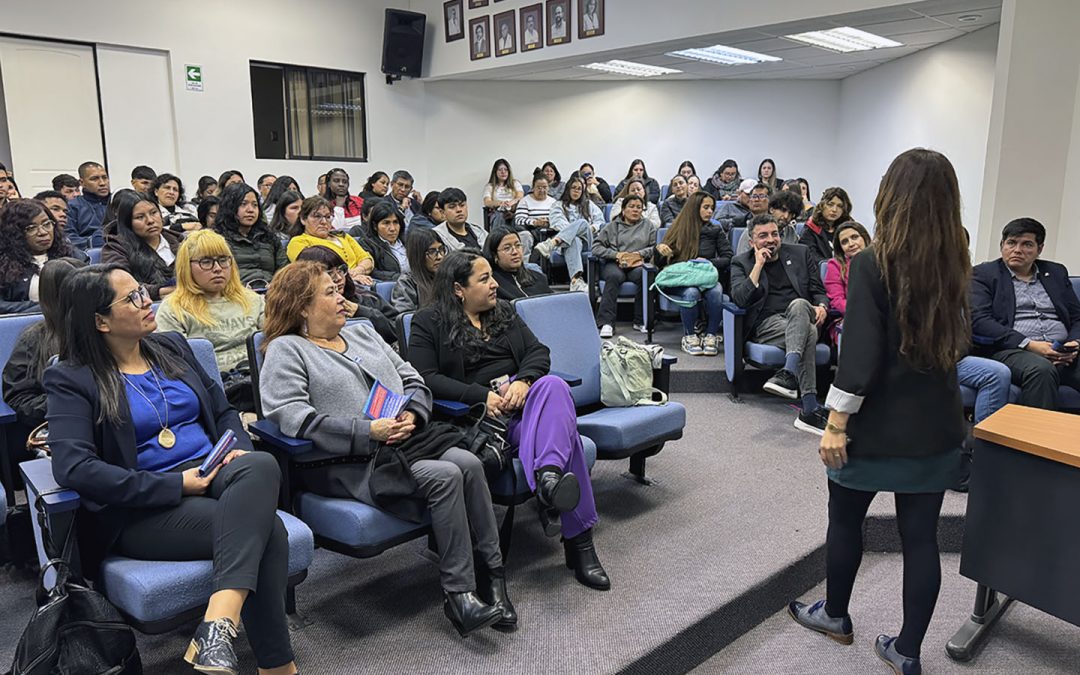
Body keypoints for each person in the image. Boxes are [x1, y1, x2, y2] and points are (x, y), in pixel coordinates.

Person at [45, 265, 298, 675]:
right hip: (146, 507)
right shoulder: (72, 377)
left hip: (216, 470)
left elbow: (224, 412)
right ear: (100, 320)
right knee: (268, 530)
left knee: (260, 462)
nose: (148, 302)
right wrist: (175, 483)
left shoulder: (171, 347)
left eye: (143, 291)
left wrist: (236, 450)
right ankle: (277, 667)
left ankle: (218, 623)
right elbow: (74, 468)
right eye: (132, 298)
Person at [789, 149, 971, 675]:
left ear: (892, 194)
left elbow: (860, 355)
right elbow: (958, 343)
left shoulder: (873, 261)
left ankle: (836, 617)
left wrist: (836, 423)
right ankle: (907, 651)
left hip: (873, 428)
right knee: (922, 539)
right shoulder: (958, 257)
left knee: (845, 521)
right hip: (937, 425)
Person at [259, 261, 513, 635]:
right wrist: (366, 431)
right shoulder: (287, 350)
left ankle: (493, 577)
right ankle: (460, 595)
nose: (342, 298)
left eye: (338, 288)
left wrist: (413, 413)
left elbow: (412, 377)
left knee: (469, 462)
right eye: (329, 293)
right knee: (445, 474)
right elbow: (291, 417)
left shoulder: (362, 334)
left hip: (407, 441)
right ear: (302, 307)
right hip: (349, 461)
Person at [409, 250, 610, 591]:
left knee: (553, 385)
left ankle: (548, 477)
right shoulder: (428, 322)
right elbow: (425, 377)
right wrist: (480, 396)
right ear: (459, 289)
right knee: (568, 439)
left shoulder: (503, 311)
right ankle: (579, 542)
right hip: (480, 421)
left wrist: (523, 381)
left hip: (523, 405)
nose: (493, 285)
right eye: (484, 279)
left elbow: (538, 352)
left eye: (492, 277)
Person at [730, 213, 829, 434]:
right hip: (767, 325)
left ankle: (788, 373)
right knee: (809, 331)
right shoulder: (741, 262)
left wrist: (822, 306)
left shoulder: (801, 253)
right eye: (763, 236)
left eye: (774, 234)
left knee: (799, 305)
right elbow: (739, 299)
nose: (771, 239)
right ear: (752, 242)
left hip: (801, 314)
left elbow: (819, 292)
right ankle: (809, 408)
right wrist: (758, 266)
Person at [971, 217, 1080, 409]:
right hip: (1012, 350)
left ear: (1039, 249)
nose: (1018, 250)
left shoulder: (1055, 272)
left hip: (1063, 351)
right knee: (1041, 370)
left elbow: (1077, 317)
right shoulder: (984, 274)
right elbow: (980, 320)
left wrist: (1074, 344)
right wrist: (1030, 345)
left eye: (1027, 244)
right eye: (1011, 243)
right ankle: (1033, 437)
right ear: (1002, 245)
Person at [154, 231, 264, 411]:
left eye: (223, 260)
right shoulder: (173, 309)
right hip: (214, 391)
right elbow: (175, 368)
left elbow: (276, 344)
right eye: (206, 261)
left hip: (259, 380)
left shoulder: (252, 300)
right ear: (186, 267)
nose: (218, 268)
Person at [3, 258, 87, 433]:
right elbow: (20, 398)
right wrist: (66, 402)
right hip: (59, 427)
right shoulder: (34, 339)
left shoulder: (107, 326)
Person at [654, 192, 730, 355]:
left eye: (712, 208)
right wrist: (660, 251)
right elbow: (660, 263)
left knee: (716, 291)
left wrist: (707, 263)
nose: (710, 212)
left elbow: (728, 257)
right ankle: (689, 336)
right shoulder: (678, 228)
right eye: (706, 207)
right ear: (694, 208)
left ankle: (711, 335)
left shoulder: (716, 229)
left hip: (705, 278)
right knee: (691, 292)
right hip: (681, 280)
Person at [295, 246, 399, 344]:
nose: (339, 278)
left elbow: (399, 331)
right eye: (330, 273)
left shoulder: (366, 297)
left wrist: (361, 311)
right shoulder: (302, 314)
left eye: (340, 270)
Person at [0, 201, 85, 314]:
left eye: (47, 224)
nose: (43, 232)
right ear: (14, 233)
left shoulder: (73, 256)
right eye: (31, 228)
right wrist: (43, 307)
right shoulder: (4, 263)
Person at [592, 194, 657, 336]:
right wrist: (616, 255)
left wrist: (639, 254)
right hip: (615, 263)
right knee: (614, 276)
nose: (635, 210)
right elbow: (596, 247)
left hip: (637, 263)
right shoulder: (612, 226)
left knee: (644, 276)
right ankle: (607, 323)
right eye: (631, 207)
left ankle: (641, 320)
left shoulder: (648, 226)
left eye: (639, 207)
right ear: (623, 210)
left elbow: (654, 247)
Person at [101, 191, 182, 301]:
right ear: (128, 223)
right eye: (140, 217)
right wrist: (159, 291)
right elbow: (120, 285)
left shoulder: (180, 241)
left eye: (154, 213)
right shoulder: (116, 247)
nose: (150, 221)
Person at [534, 176, 605, 293]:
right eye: (573, 188)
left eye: (579, 189)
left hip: (588, 241)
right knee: (575, 240)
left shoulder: (589, 204)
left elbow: (600, 221)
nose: (576, 191)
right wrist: (574, 232)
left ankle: (551, 243)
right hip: (566, 244)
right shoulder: (558, 205)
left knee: (582, 223)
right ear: (568, 189)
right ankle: (576, 281)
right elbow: (558, 223)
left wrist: (590, 227)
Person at [214, 183, 288, 288]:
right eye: (243, 204)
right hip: (234, 294)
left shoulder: (268, 237)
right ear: (230, 207)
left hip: (270, 293)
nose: (250, 210)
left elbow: (284, 268)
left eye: (255, 205)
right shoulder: (217, 238)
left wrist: (276, 285)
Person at [287, 196, 374, 285]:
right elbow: (315, 272)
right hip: (331, 286)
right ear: (303, 219)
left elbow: (367, 259)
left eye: (328, 217)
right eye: (317, 216)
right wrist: (347, 277)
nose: (324, 222)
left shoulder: (343, 236)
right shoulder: (299, 242)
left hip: (361, 279)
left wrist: (357, 271)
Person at [823, 222, 872, 346]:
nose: (851, 244)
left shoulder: (882, 260)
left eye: (855, 237)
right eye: (844, 242)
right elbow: (837, 300)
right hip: (849, 316)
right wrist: (862, 312)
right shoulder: (835, 265)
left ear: (864, 237)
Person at [486, 226, 552, 300]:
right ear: (495, 255)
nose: (515, 252)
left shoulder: (540, 278)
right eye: (507, 248)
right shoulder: (492, 285)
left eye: (518, 245)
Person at [392, 228, 445, 313]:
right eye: (432, 251)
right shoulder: (407, 283)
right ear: (418, 255)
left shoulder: (450, 278)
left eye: (441, 249)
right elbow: (406, 318)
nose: (439, 257)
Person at [735, 189, 803, 255]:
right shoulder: (752, 231)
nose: (786, 216)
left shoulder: (791, 233)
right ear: (771, 209)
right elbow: (741, 262)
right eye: (783, 210)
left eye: (791, 213)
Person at [800, 187, 853, 269]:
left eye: (840, 206)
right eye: (830, 204)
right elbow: (811, 259)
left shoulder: (849, 227)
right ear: (822, 205)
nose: (834, 210)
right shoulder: (810, 229)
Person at [355, 200, 409, 282]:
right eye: (386, 223)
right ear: (375, 226)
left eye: (395, 222)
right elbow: (373, 272)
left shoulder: (408, 240)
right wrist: (400, 277)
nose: (392, 228)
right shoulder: (367, 244)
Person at [66, 161, 111, 249]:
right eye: (94, 179)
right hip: (89, 254)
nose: (102, 183)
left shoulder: (118, 202)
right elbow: (68, 238)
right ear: (82, 183)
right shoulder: (71, 207)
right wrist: (92, 242)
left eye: (104, 177)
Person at [433, 188, 488, 253]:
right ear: (442, 212)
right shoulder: (437, 236)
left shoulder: (479, 231)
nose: (459, 210)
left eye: (462, 205)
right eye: (452, 207)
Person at [513, 174, 556, 253]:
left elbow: (559, 218)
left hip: (550, 231)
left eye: (544, 187)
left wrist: (548, 221)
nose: (542, 190)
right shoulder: (525, 201)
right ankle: (526, 263)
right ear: (533, 187)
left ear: (548, 187)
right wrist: (535, 222)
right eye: (538, 187)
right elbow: (518, 220)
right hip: (531, 231)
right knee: (525, 236)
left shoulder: (553, 202)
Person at [482, 159, 524, 229]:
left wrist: (512, 202)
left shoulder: (515, 183)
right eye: (500, 170)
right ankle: (499, 238)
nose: (503, 172)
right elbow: (487, 202)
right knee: (500, 216)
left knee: (516, 217)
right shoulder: (490, 186)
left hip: (513, 210)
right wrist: (500, 203)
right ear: (495, 172)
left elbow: (520, 196)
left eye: (506, 170)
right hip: (498, 211)